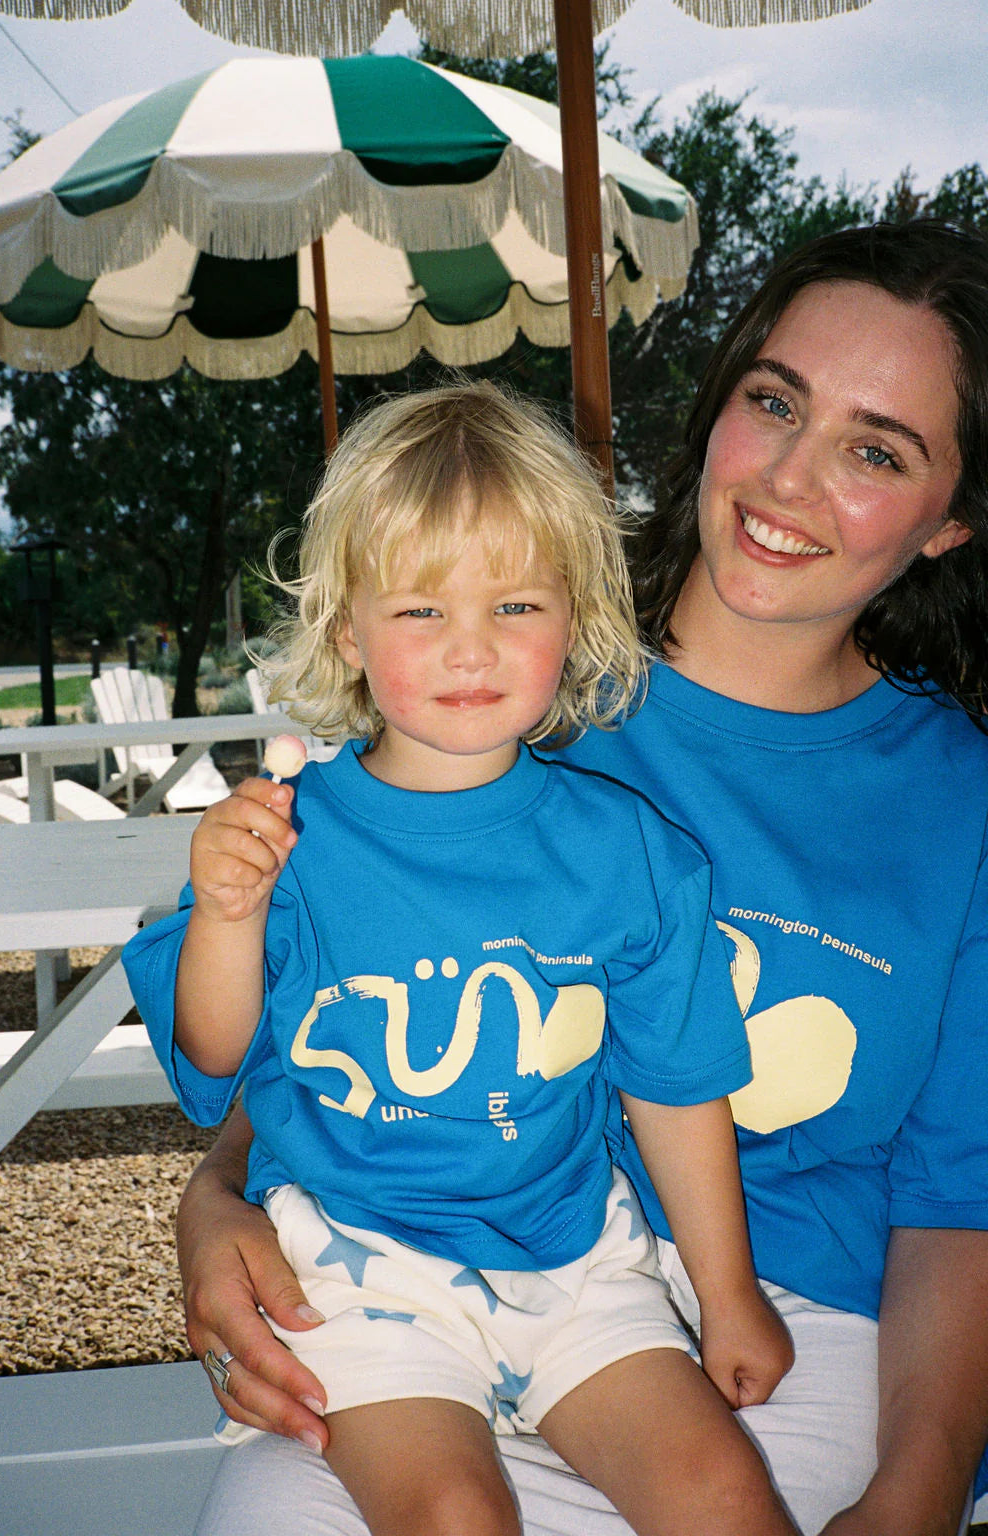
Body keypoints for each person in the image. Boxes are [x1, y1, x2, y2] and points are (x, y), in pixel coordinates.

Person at [171, 221, 988, 1536]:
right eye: (774, 402)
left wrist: (923, 1486)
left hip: (779, 1331)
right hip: (409, 1281)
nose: (789, 476)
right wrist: (210, 1202)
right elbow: (343, 991)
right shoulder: (497, 666)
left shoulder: (964, 800)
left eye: (875, 450)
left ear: (952, 521)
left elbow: (964, 1201)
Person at [124, 382, 798, 1536]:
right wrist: (230, 915)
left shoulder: (629, 852)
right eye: (421, 611)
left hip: (577, 1257)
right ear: (347, 629)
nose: (472, 648)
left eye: (517, 604)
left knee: (725, 1494)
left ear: (574, 617)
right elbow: (214, 1056)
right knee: (453, 1516)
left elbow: (674, 1085)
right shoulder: (287, 837)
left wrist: (727, 1297)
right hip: (356, 1266)